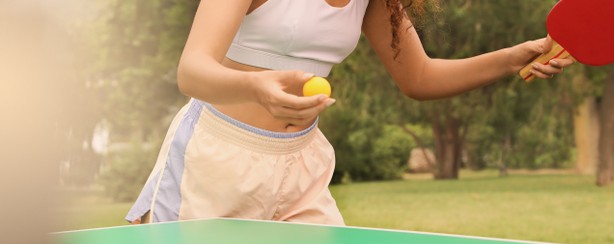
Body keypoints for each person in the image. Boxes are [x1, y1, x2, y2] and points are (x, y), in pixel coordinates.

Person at [126, 0, 573, 225]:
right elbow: (192, 70)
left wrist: (515, 56)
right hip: (214, 159)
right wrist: (254, 86)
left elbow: (419, 78)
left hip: (303, 163)